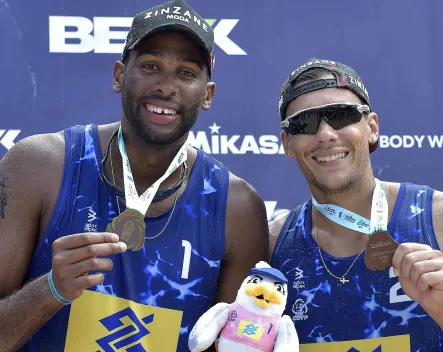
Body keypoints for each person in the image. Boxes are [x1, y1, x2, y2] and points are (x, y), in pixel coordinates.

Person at [0, 0, 269, 351]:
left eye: (186, 73)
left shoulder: (237, 208)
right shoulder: (39, 166)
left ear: (208, 95)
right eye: (151, 65)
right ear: (118, 75)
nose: (166, 86)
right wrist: (50, 289)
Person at [269, 58, 443, 351]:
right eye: (305, 123)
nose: (325, 134)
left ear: (372, 127)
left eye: (341, 115)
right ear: (287, 143)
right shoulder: (273, 245)